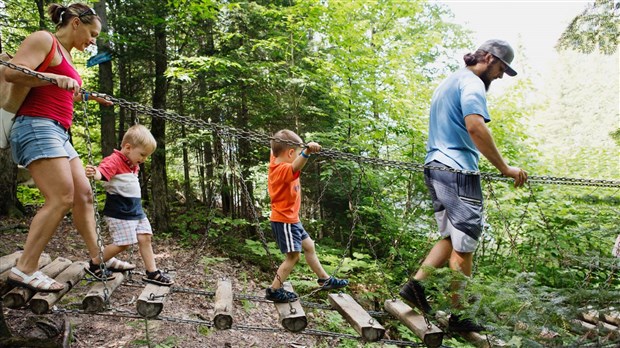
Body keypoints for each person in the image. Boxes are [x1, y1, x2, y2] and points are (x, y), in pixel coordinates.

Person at [399, 39, 528, 331]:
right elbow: (475, 126)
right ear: (487, 57)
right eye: (500, 69)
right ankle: (460, 315)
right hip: (458, 171)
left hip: (435, 167)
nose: (499, 76)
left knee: (450, 237)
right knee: (466, 244)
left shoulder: (449, 81)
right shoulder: (472, 84)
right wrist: (505, 168)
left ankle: (415, 287)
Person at [6, 3, 116, 293]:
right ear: (76, 23)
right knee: (61, 197)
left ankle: (97, 259)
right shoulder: (44, 39)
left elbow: (62, 93)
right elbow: (11, 72)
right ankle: (25, 269)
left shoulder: (66, 55)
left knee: (83, 195)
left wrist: (92, 97)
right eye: (92, 34)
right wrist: (52, 77)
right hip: (36, 126)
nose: (92, 42)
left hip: (59, 132)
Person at [265, 129, 348, 302]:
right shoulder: (281, 170)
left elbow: (276, 149)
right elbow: (295, 165)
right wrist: (307, 151)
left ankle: (324, 279)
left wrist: (294, 144)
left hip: (293, 220)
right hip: (284, 221)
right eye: (295, 153)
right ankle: (274, 289)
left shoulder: (277, 160)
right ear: (290, 154)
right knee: (293, 256)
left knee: (309, 246)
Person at [85, 124, 173, 286]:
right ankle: (95, 263)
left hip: (136, 211)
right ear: (127, 147)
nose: (144, 159)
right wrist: (95, 173)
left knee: (146, 237)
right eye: (142, 154)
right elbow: (102, 173)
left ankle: (152, 272)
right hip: (120, 212)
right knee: (123, 243)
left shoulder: (133, 165)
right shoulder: (115, 160)